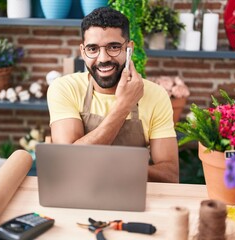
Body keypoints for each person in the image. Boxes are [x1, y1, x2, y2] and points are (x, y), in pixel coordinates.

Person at [47, 7, 179, 183]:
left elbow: (170, 175)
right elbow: (71, 162)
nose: (103, 58)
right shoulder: (64, 88)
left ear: (129, 49)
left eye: (114, 47)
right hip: (77, 193)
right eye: (92, 49)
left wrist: (111, 168)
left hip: (133, 196)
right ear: (82, 51)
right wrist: (124, 106)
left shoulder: (155, 95)